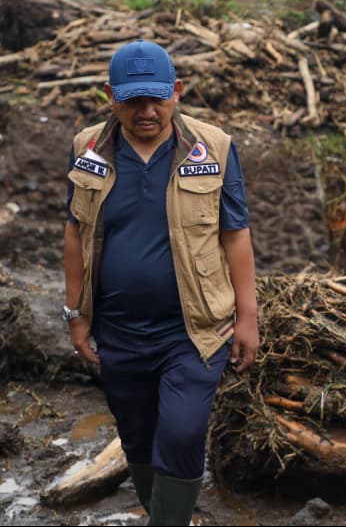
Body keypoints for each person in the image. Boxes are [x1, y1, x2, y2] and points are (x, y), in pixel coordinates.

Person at [63, 39, 259, 526]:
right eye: (133, 100)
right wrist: (76, 317)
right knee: (137, 435)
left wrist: (249, 317)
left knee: (183, 431)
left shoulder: (212, 147)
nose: (147, 111)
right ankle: (164, 512)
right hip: (118, 330)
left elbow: (235, 234)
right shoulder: (88, 148)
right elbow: (74, 232)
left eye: (158, 98)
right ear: (111, 94)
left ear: (177, 91)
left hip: (195, 331)